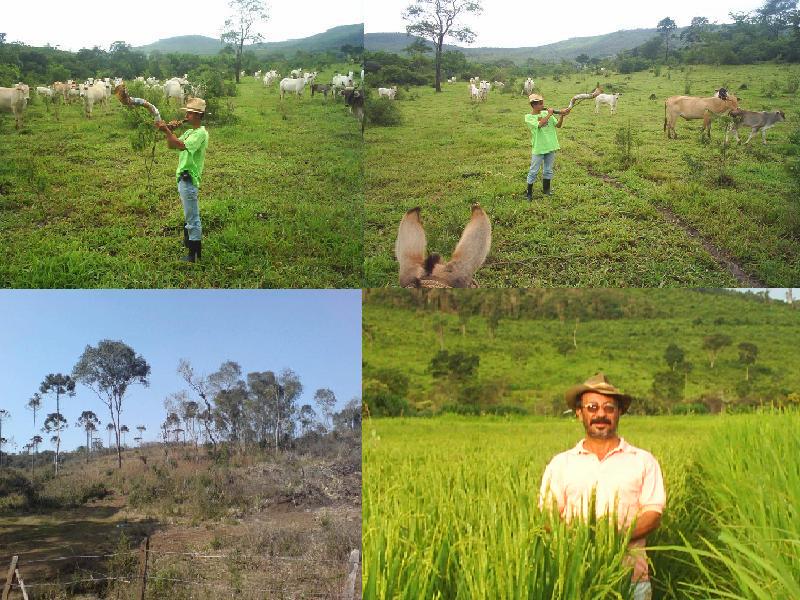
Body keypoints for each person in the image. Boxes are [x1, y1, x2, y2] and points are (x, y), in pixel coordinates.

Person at [539, 373, 666, 600]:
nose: (600, 414)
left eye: (609, 408)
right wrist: (579, 541)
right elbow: (548, 516)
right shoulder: (561, 464)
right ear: (579, 413)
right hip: (574, 578)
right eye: (592, 407)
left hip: (631, 580)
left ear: (619, 413)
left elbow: (653, 514)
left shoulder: (643, 461)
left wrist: (613, 538)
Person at [156, 97, 209, 262]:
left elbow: (180, 145)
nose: (186, 115)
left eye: (189, 113)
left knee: (192, 216)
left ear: (196, 115)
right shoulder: (189, 132)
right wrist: (169, 131)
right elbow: (172, 145)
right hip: (182, 177)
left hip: (189, 179)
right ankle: (190, 245)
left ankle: (194, 255)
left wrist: (167, 131)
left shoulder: (200, 133)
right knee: (188, 214)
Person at [524, 93, 570, 200]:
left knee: (548, 170)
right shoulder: (529, 117)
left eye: (542, 103)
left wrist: (561, 116)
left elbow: (558, 125)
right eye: (540, 103)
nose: (542, 105)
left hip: (551, 146)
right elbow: (539, 125)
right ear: (533, 105)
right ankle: (529, 193)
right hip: (539, 148)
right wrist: (549, 114)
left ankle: (546, 190)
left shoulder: (546, 112)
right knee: (533, 171)